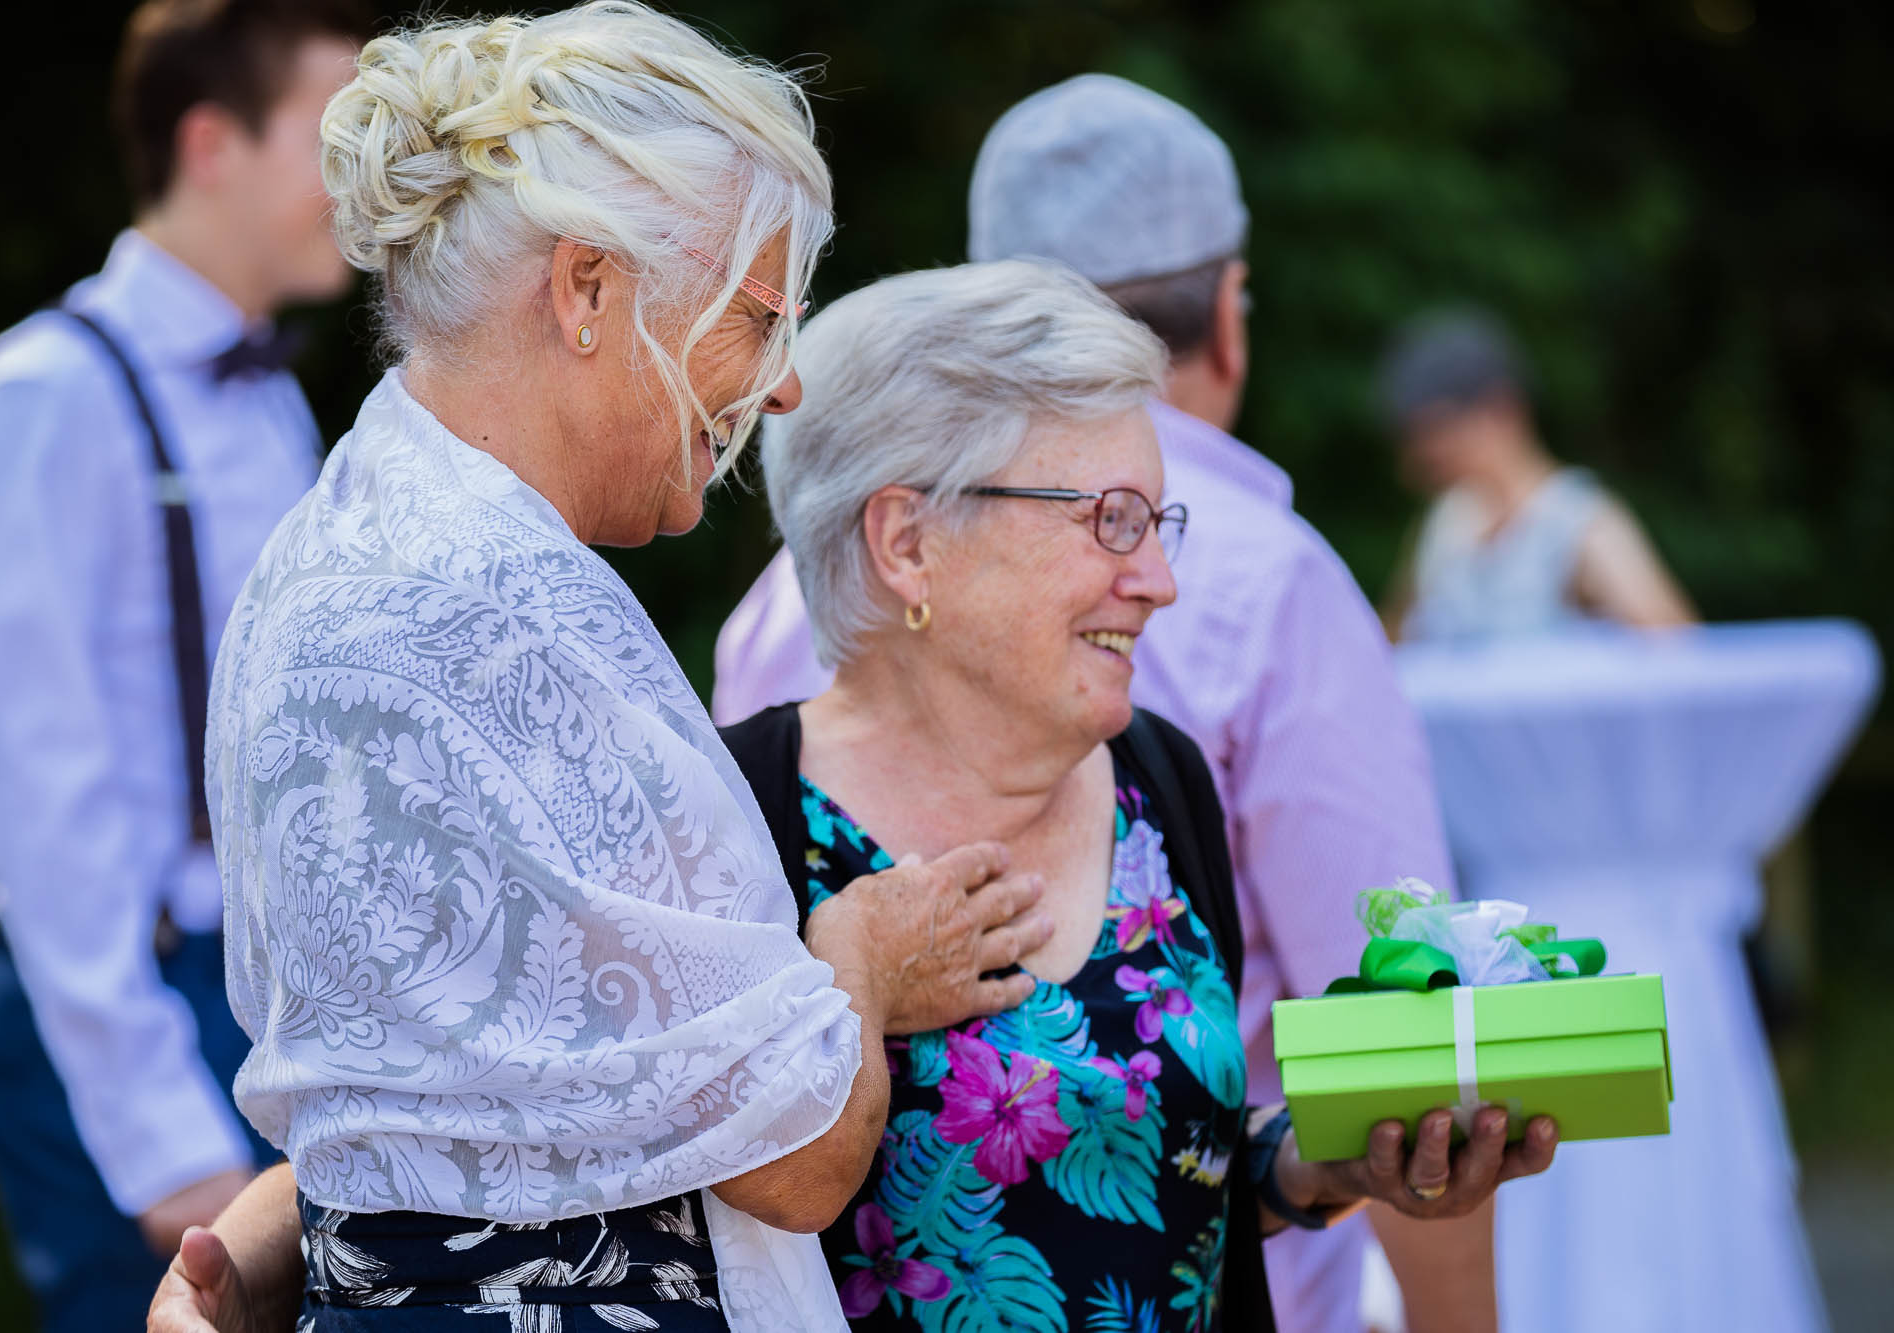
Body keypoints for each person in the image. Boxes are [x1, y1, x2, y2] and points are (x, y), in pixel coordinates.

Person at [152, 7, 1054, 1330]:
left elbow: (448, 1102)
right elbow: (795, 1160)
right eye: (755, 319)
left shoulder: (337, 540)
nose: (785, 388)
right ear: (584, 289)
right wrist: (854, 959)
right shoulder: (501, 613)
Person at [712, 75, 1489, 1333]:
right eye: (1111, 522)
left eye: (1158, 517)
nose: (1164, 580)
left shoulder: (1158, 781)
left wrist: (1308, 1167)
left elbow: (1162, 1174)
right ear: (907, 545)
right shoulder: (731, 819)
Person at [0, 2, 369, 1327]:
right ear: (211, 142)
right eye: (334, 138)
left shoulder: (272, 397)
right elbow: (42, 804)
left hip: (263, 989)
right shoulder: (38, 398)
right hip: (121, 1005)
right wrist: (159, 1130)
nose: (367, 180)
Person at [1377, 309, 1697, 642]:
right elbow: (1394, 641)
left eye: (1438, 430)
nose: (1425, 455)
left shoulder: (1579, 520)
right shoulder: (1447, 522)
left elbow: (1675, 650)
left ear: (1501, 408)